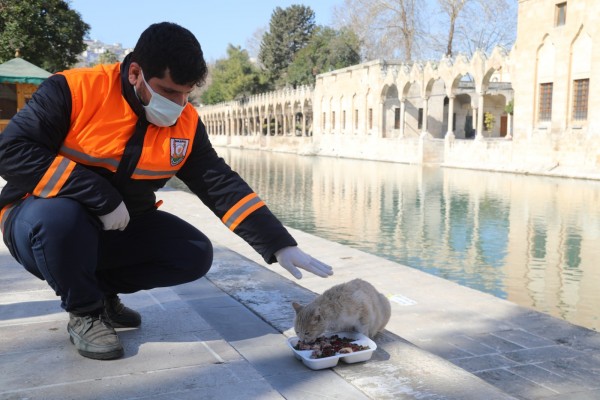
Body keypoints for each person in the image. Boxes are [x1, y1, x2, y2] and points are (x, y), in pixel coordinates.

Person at [0, 22, 333, 360]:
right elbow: (10, 151)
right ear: (135, 73)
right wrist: (100, 196)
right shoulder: (75, 90)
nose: (179, 103)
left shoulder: (186, 123)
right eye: (169, 92)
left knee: (192, 253)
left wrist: (278, 244)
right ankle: (85, 312)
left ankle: (101, 293)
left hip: (115, 226)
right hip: (36, 221)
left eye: (187, 93)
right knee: (60, 219)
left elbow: (219, 184)